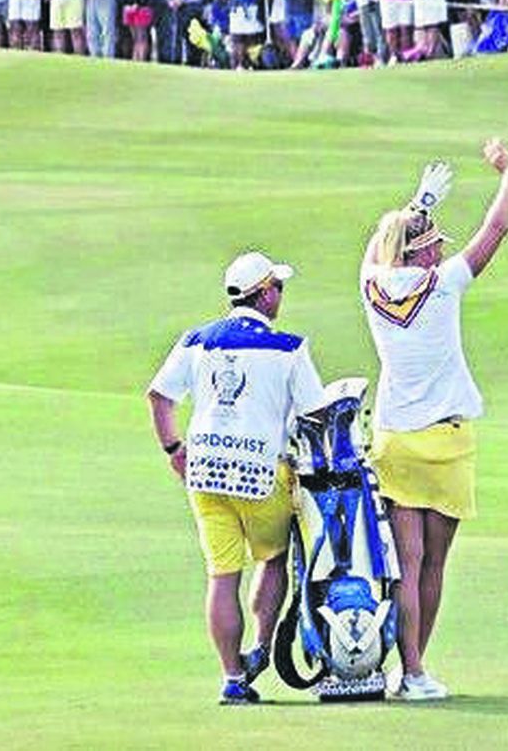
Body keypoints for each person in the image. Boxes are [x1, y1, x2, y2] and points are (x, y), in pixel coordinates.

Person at [358, 139, 508, 701]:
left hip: (395, 438)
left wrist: (418, 205)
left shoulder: (371, 285)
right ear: (424, 252)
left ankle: (413, 668)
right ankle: (415, 674)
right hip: (446, 442)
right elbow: (493, 233)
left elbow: (384, 247)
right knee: (432, 567)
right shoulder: (445, 282)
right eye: (433, 243)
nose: (440, 249)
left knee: (407, 562)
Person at [146, 251, 325, 706]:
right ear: (264, 294)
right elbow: (316, 415)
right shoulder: (289, 348)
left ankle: (232, 677)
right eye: (278, 288)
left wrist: (173, 449)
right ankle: (261, 649)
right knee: (272, 560)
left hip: (204, 472)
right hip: (261, 472)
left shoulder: (197, 341)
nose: (280, 295)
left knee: (222, 576)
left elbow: (159, 396)